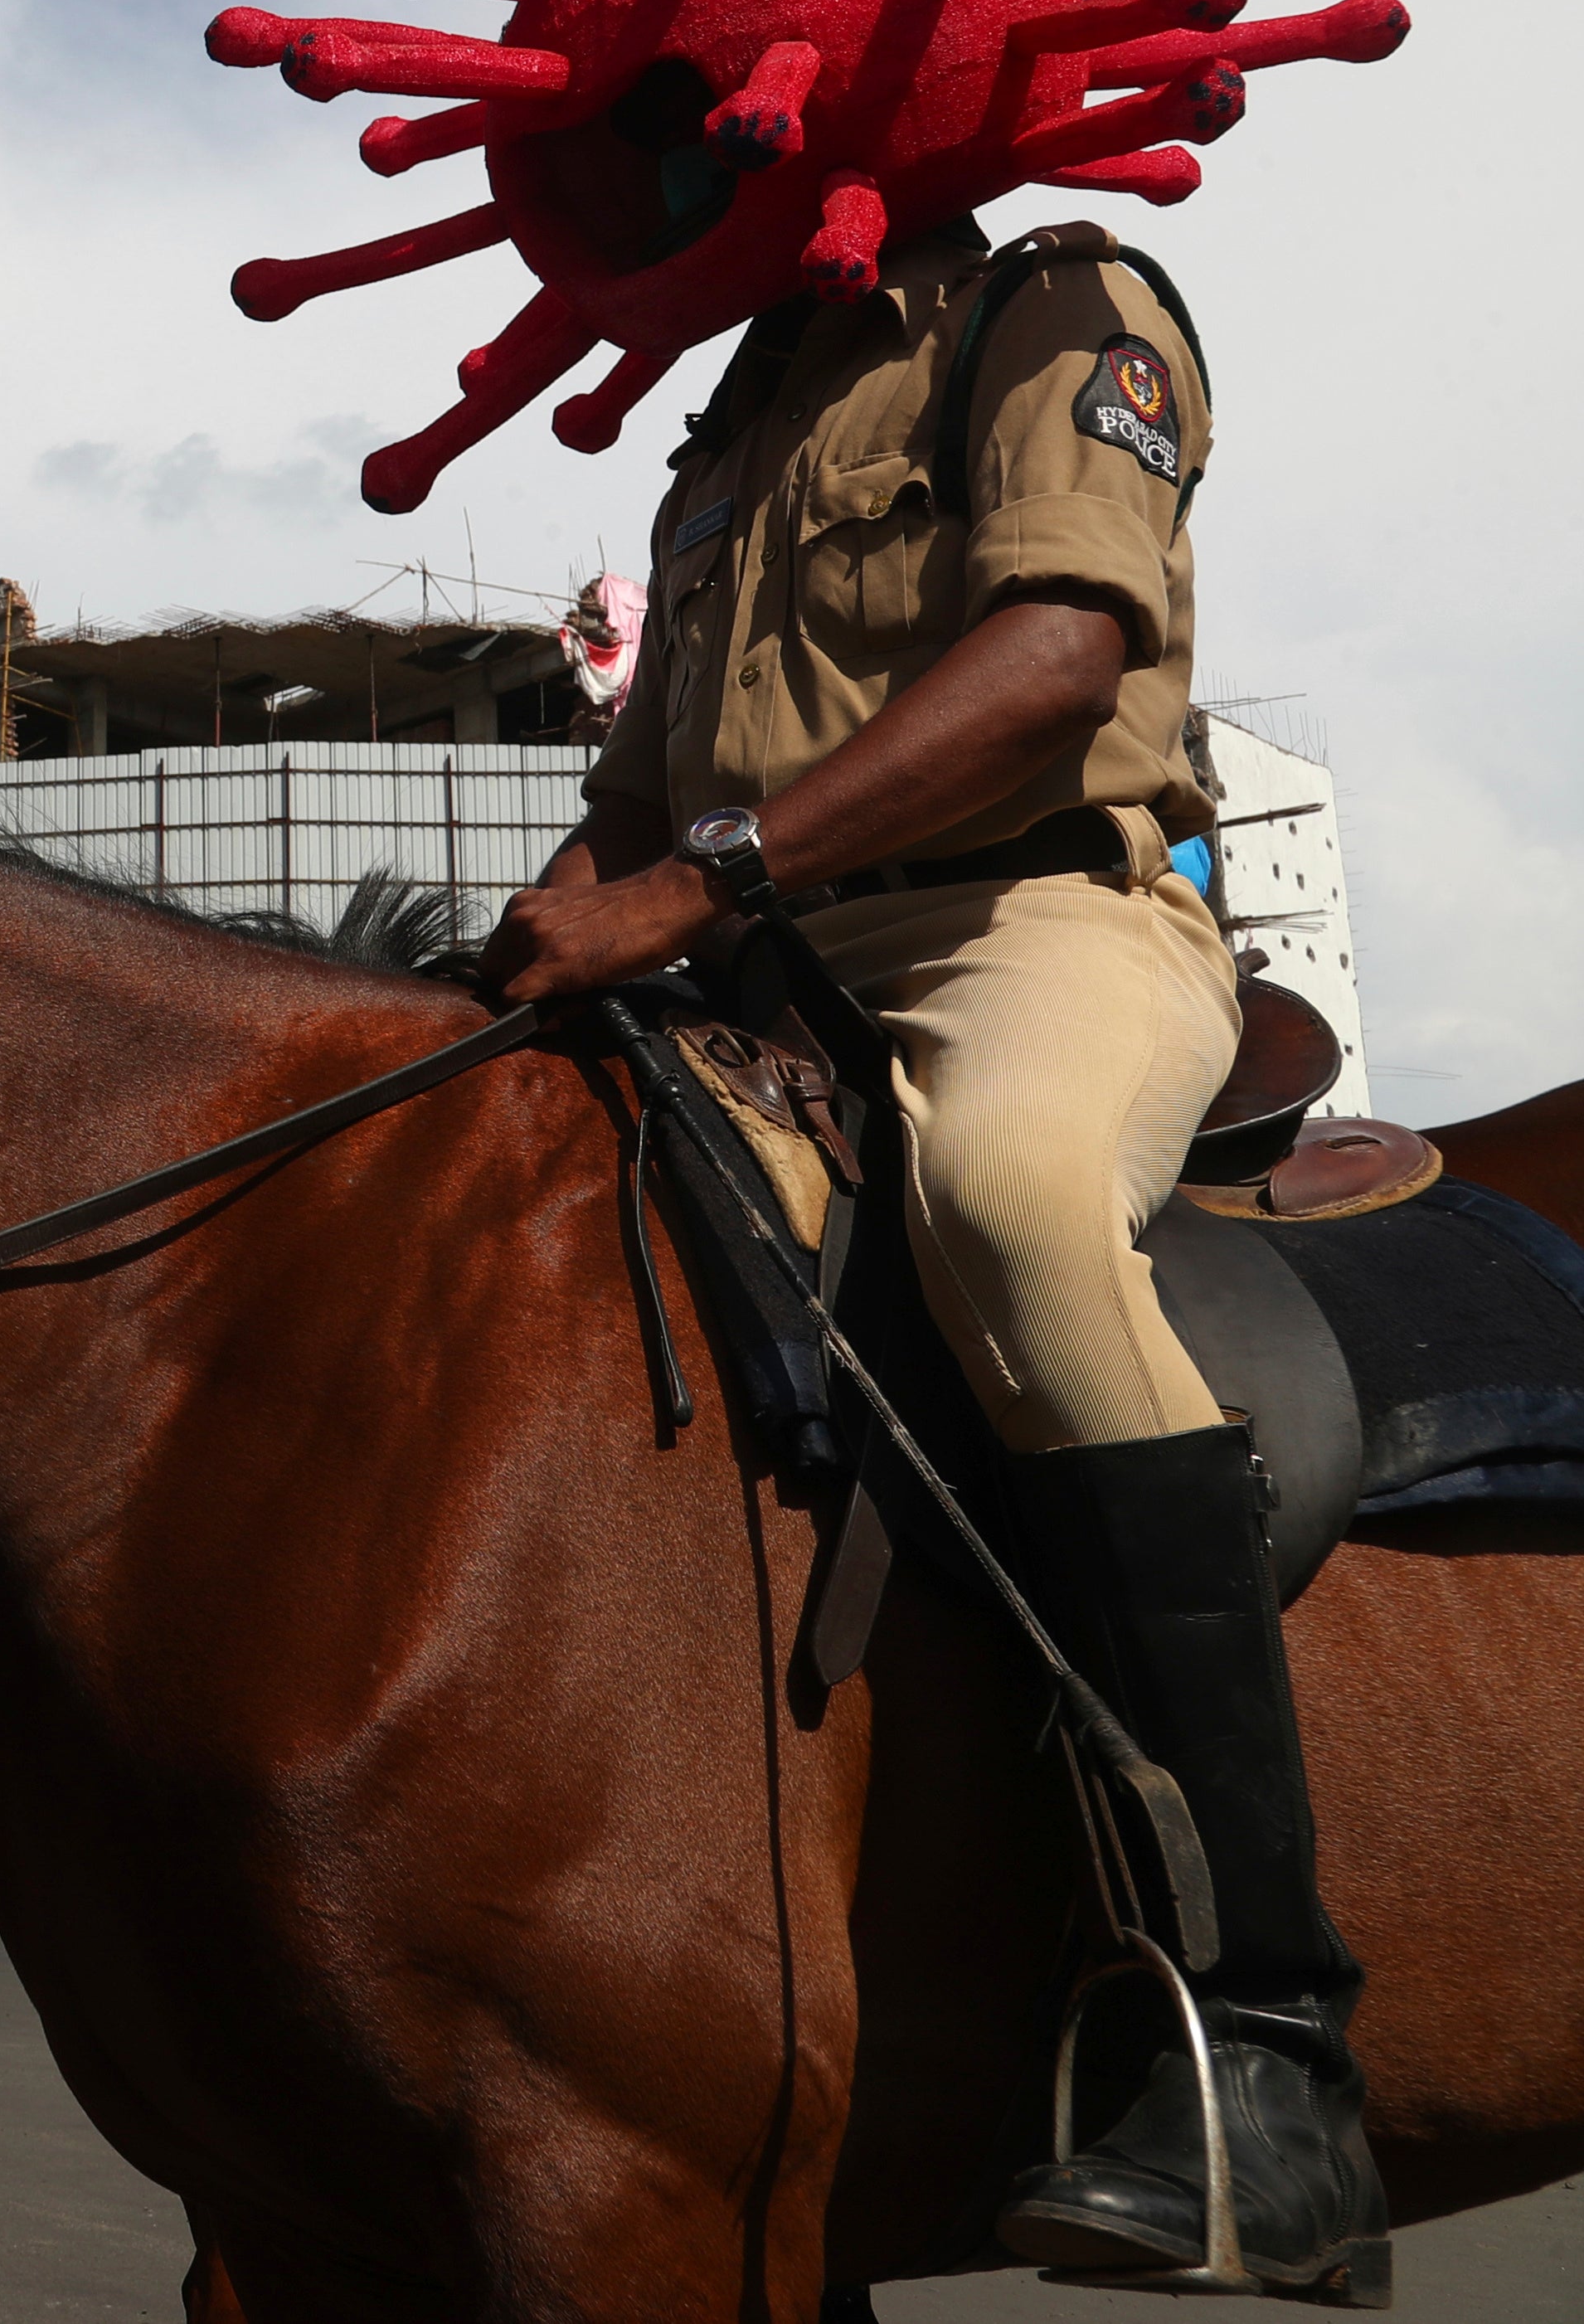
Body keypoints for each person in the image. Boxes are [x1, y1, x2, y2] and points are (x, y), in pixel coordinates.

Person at [484, 216, 1376, 2284]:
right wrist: (500, 983)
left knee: (1005, 1203)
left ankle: (1264, 2040)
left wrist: (700, 879)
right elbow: (635, 792)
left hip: (1024, 919)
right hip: (750, 947)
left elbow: (1058, 650)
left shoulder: (1047, 306)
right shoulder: (725, 430)